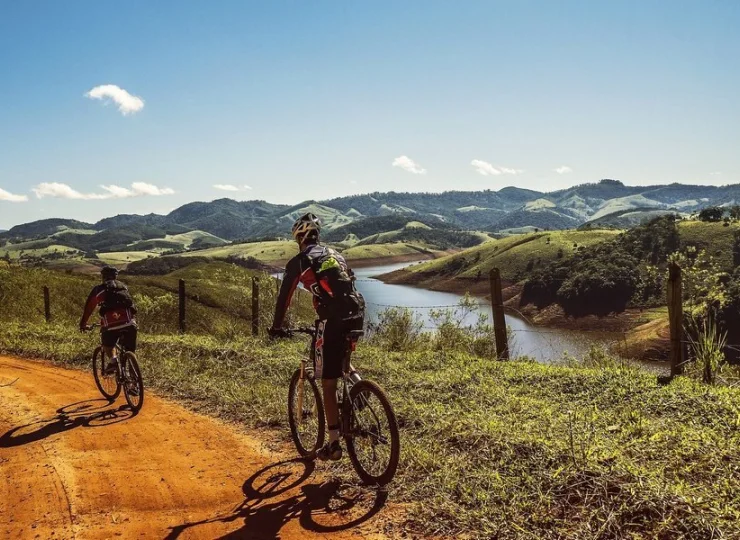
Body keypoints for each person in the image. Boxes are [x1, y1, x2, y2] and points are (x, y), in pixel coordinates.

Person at [269, 213, 365, 461]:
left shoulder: (300, 261)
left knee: (328, 382)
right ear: (316, 236)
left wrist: (276, 327)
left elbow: (284, 299)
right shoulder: (335, 254)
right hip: (356, 313)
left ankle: (333, 445)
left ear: (299, 239)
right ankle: (361, 387)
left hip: (331, 319)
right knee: (342, 359)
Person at [79, 265, 138, 375]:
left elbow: (89, 308)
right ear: (115, 276)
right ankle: (134, 384)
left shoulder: (98, 290)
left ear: (103, 277)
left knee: (107, 344)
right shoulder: (124, 287)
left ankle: (113, 361)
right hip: (130, 323)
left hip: (111, 326)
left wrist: (83, 324)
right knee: (130, 351)